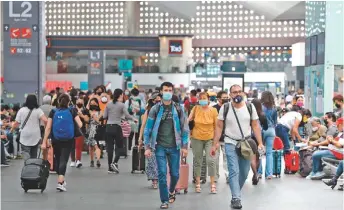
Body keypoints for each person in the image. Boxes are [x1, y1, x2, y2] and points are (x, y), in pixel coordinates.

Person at [210, 84, 264, 209]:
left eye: (240, 91)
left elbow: (255, 126)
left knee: (244, 173)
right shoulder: (225, 107)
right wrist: (215, 143)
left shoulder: (250, 107)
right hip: (230, 142)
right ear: (230, 95)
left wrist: (260, 142)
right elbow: (219, 126)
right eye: (234, 92)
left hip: (245, 143)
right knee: (234, 171)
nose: (237, 94)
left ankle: (236, 193)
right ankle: (236, 198)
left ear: (243, 93)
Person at [144, 82, 189, 209]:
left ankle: (171, 191)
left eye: (170, 90)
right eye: (165, 90)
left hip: (175, 146)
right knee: (162, 174)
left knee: (175, 174)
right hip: (160, 147)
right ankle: (164, 200)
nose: (168, 92)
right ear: (161, 92)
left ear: (172, 92)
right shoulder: (155, 109)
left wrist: (185, 146)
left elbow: (184, 129)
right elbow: (148, 128)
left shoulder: (179, 109)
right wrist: (147, 147)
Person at [41, 94, 83, 192]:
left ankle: (61, 180)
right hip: (68, 139)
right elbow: (80, 124)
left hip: (56, 139)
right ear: (68, 102)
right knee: (64, 159)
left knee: (59, 159)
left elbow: (48, 128)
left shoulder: (53, 111)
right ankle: (60, 182)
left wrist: (44, 142)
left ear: (58, 101)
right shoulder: (72, 111)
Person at [188, 92, 218, 193]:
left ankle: (213, 183)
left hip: (210, 138)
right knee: (198, 160)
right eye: (200, 98)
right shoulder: (195, 109)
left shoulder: (213, 111)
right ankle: (197, 183)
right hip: (196, 138)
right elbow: (189, 120)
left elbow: (217, 127)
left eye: (204, 98)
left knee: (211, 160)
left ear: (208, 99)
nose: (202, 100)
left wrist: (216, 142)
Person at [103, 89, 137, 174]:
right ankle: (114, 162)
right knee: (120, 146)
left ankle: (109, 168)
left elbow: (104, 116)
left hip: (108, 127)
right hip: (117, 127)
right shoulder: (121, 105)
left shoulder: (108, 104)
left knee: (110, 148)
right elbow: (127, 115)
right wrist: (134, 119)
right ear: (120, 95)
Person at [11, 95, 48, 161]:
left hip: (25, 134)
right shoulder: (38, 110)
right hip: (35, 135)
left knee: (25, 151)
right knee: (34, 154)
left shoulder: (21, 110)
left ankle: (27, 164)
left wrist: (12, 129)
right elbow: (45, 120)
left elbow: (16, 123)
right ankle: (33, 167)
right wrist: (46, 128)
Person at [138, 92, 161, 189]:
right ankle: (154, 180)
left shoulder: (164, 110)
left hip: (162, 138)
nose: (159, 101)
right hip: (151, 138)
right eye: (157, 99)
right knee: (151, 159)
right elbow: (143, 125)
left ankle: (160, 179)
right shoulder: (148, 111)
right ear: (153, 100)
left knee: (160, 159)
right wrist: (140, 138)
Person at [258, 91, 278, 180]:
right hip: (271, 130)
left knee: (260, 152)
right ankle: (269, 174)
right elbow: (275, 122)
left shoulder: (260, 107)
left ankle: (259, 172)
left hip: (261, 130)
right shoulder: (274, 108)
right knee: (269, 153)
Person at [213, 91, 230, 182]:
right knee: (215, 157)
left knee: (226, 157)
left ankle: (228, 176)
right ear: (219, 99)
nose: (226, 99)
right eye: (224, 97)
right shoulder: (214, 109)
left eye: (227, 97)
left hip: (226, 136)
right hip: (216, 137)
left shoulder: (230, 108)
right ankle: (215, 176)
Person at [87, 98, 102, 168]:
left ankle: (94, 160)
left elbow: (97, 119)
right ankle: (94, 160)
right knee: (93, 146)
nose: (92, 104)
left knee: (94, 145)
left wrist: (96, 118)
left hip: (94, 130)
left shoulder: (90, 111)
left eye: (94, 103)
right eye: (91, 103)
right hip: (95, 129)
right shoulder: (100, 112)